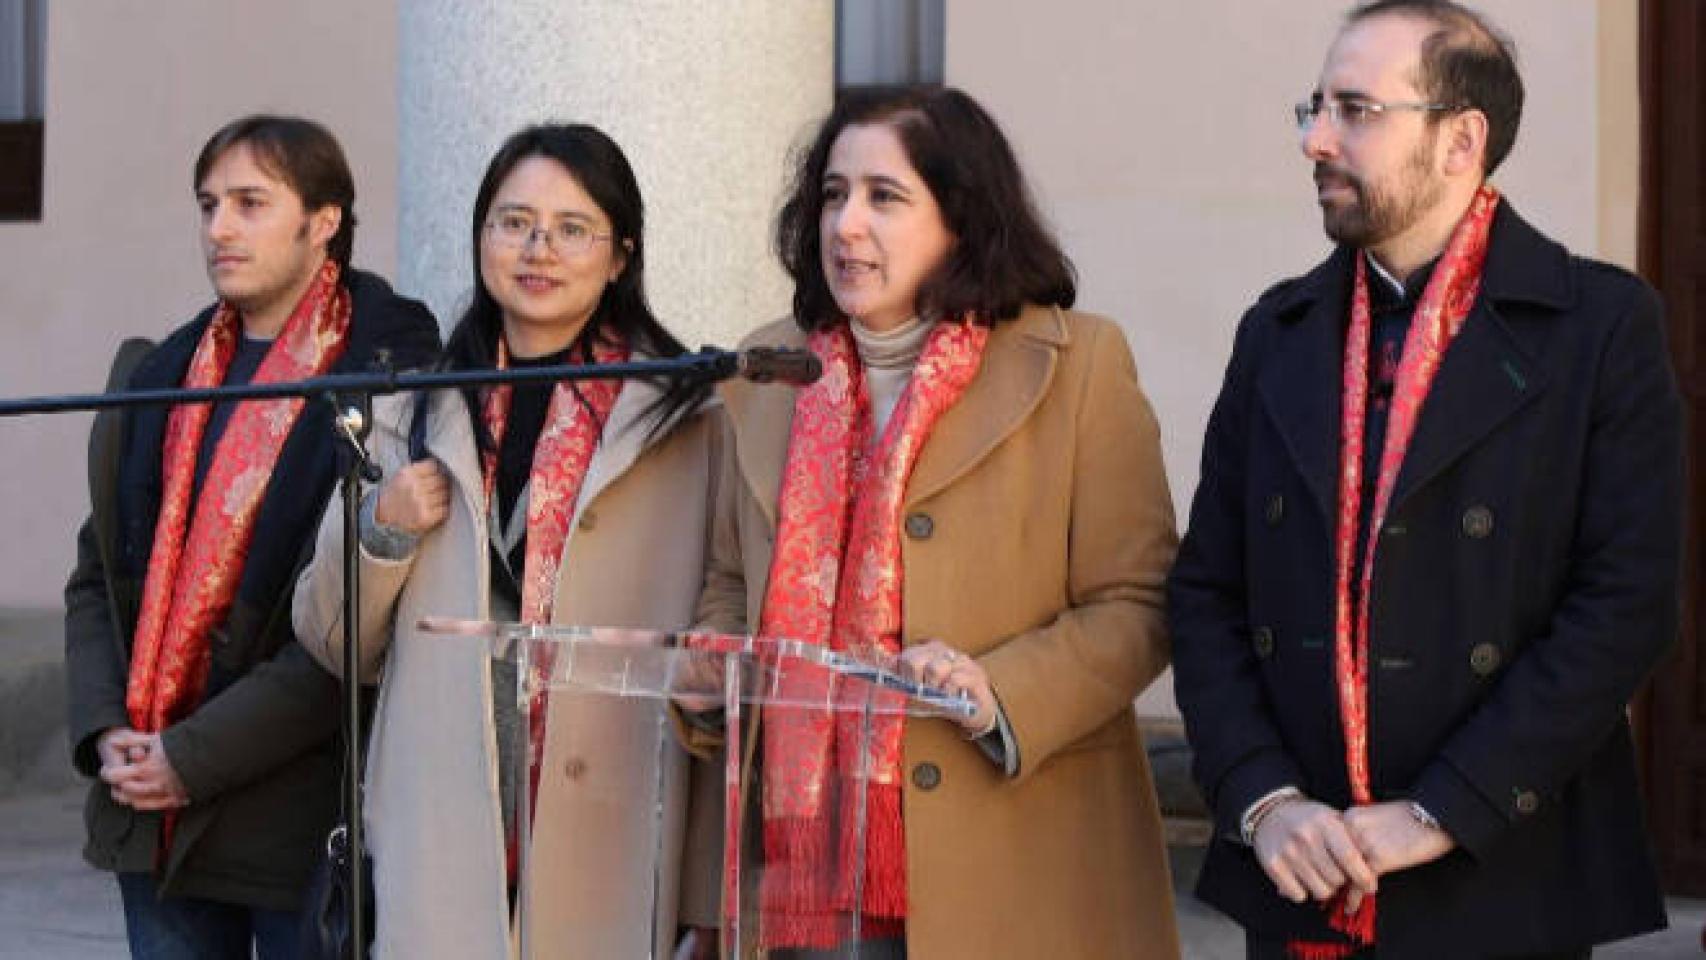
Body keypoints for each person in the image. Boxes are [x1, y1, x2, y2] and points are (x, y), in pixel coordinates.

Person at [1168, 3, 1683, 957]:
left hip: (1500, 870)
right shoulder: (1275, 334)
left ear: (1461, 139)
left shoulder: (1600, 328)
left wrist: (1442, 807)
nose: (1316, 140)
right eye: (1313, 108)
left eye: (1356, 110)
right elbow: (1206, 593)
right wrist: (1264, 798)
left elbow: (1627, 603)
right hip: (1302, 870)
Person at [689, 84, 1181, 959]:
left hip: (1012, 862)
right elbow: (732, 581)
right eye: (833, 195)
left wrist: (999, 691)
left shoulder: (1078, 366)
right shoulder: (766, 373)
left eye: (885, 197)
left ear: (961, 217)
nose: (846, 226)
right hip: (800, 882)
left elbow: (1140, 605)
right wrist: (709, 662)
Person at [292, 122, 720, 958]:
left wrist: (705, 897)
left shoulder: (684, 422)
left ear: (621, 254)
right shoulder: (412, 409)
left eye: (572, 229)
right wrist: (382, 530)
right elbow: (332, 642)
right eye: (513, 221)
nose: (539, 249)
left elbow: (719, 662)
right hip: (445, 820)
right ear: (481, 235)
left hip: (617, 819)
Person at [62, 115, 440, 959]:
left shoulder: (388, 376)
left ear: (324, 220)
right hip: (151, 820)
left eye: (249, 203)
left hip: (297, 821)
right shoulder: (162, 374)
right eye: (208, 205)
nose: (219, 229)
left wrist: (190, 756)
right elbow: (97, 578)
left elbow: (353, 624)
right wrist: (105, 729)